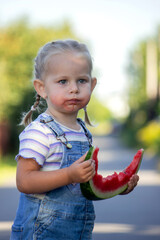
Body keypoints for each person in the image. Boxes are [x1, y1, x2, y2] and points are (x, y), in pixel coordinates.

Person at [10, 39, 139, 240]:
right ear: (42, 88)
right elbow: (24, 181)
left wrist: (119, 187)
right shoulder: (39, 132)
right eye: (63, 81)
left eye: (81, 80)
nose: (74, 89)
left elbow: (84, 187)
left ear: (92, 84)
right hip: (41, 234)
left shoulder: (82, 132)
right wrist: (69, 174)